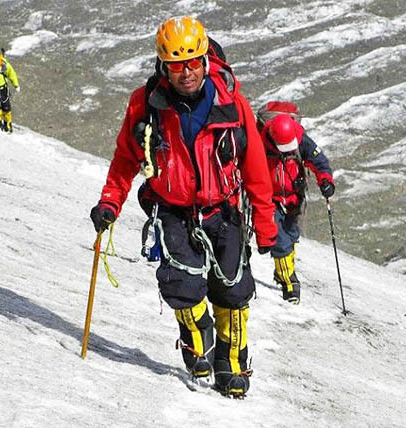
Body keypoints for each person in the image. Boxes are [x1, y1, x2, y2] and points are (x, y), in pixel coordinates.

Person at [90, 16, 277, 397]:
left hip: (223, 209)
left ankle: (233, 367)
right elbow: (127, 158)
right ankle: (197, 342)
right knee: (181, 286)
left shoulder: (232, 103)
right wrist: (110, 201)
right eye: (177, 65)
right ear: (163, 65)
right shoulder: (146, 106)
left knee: (234, 291)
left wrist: (266, 226)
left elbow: (255, 166)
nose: (186, 72)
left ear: (206, 60)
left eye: (193, 62)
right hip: (172, 209)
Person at [260, 112, 335, 304]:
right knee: (280, 240)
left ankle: (283, 272)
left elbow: (319, 161)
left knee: (291, 235)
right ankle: (289, 283)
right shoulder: (259, 141)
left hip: (294, 196)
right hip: (268, 198)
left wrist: (326, 181)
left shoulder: (301, 139)